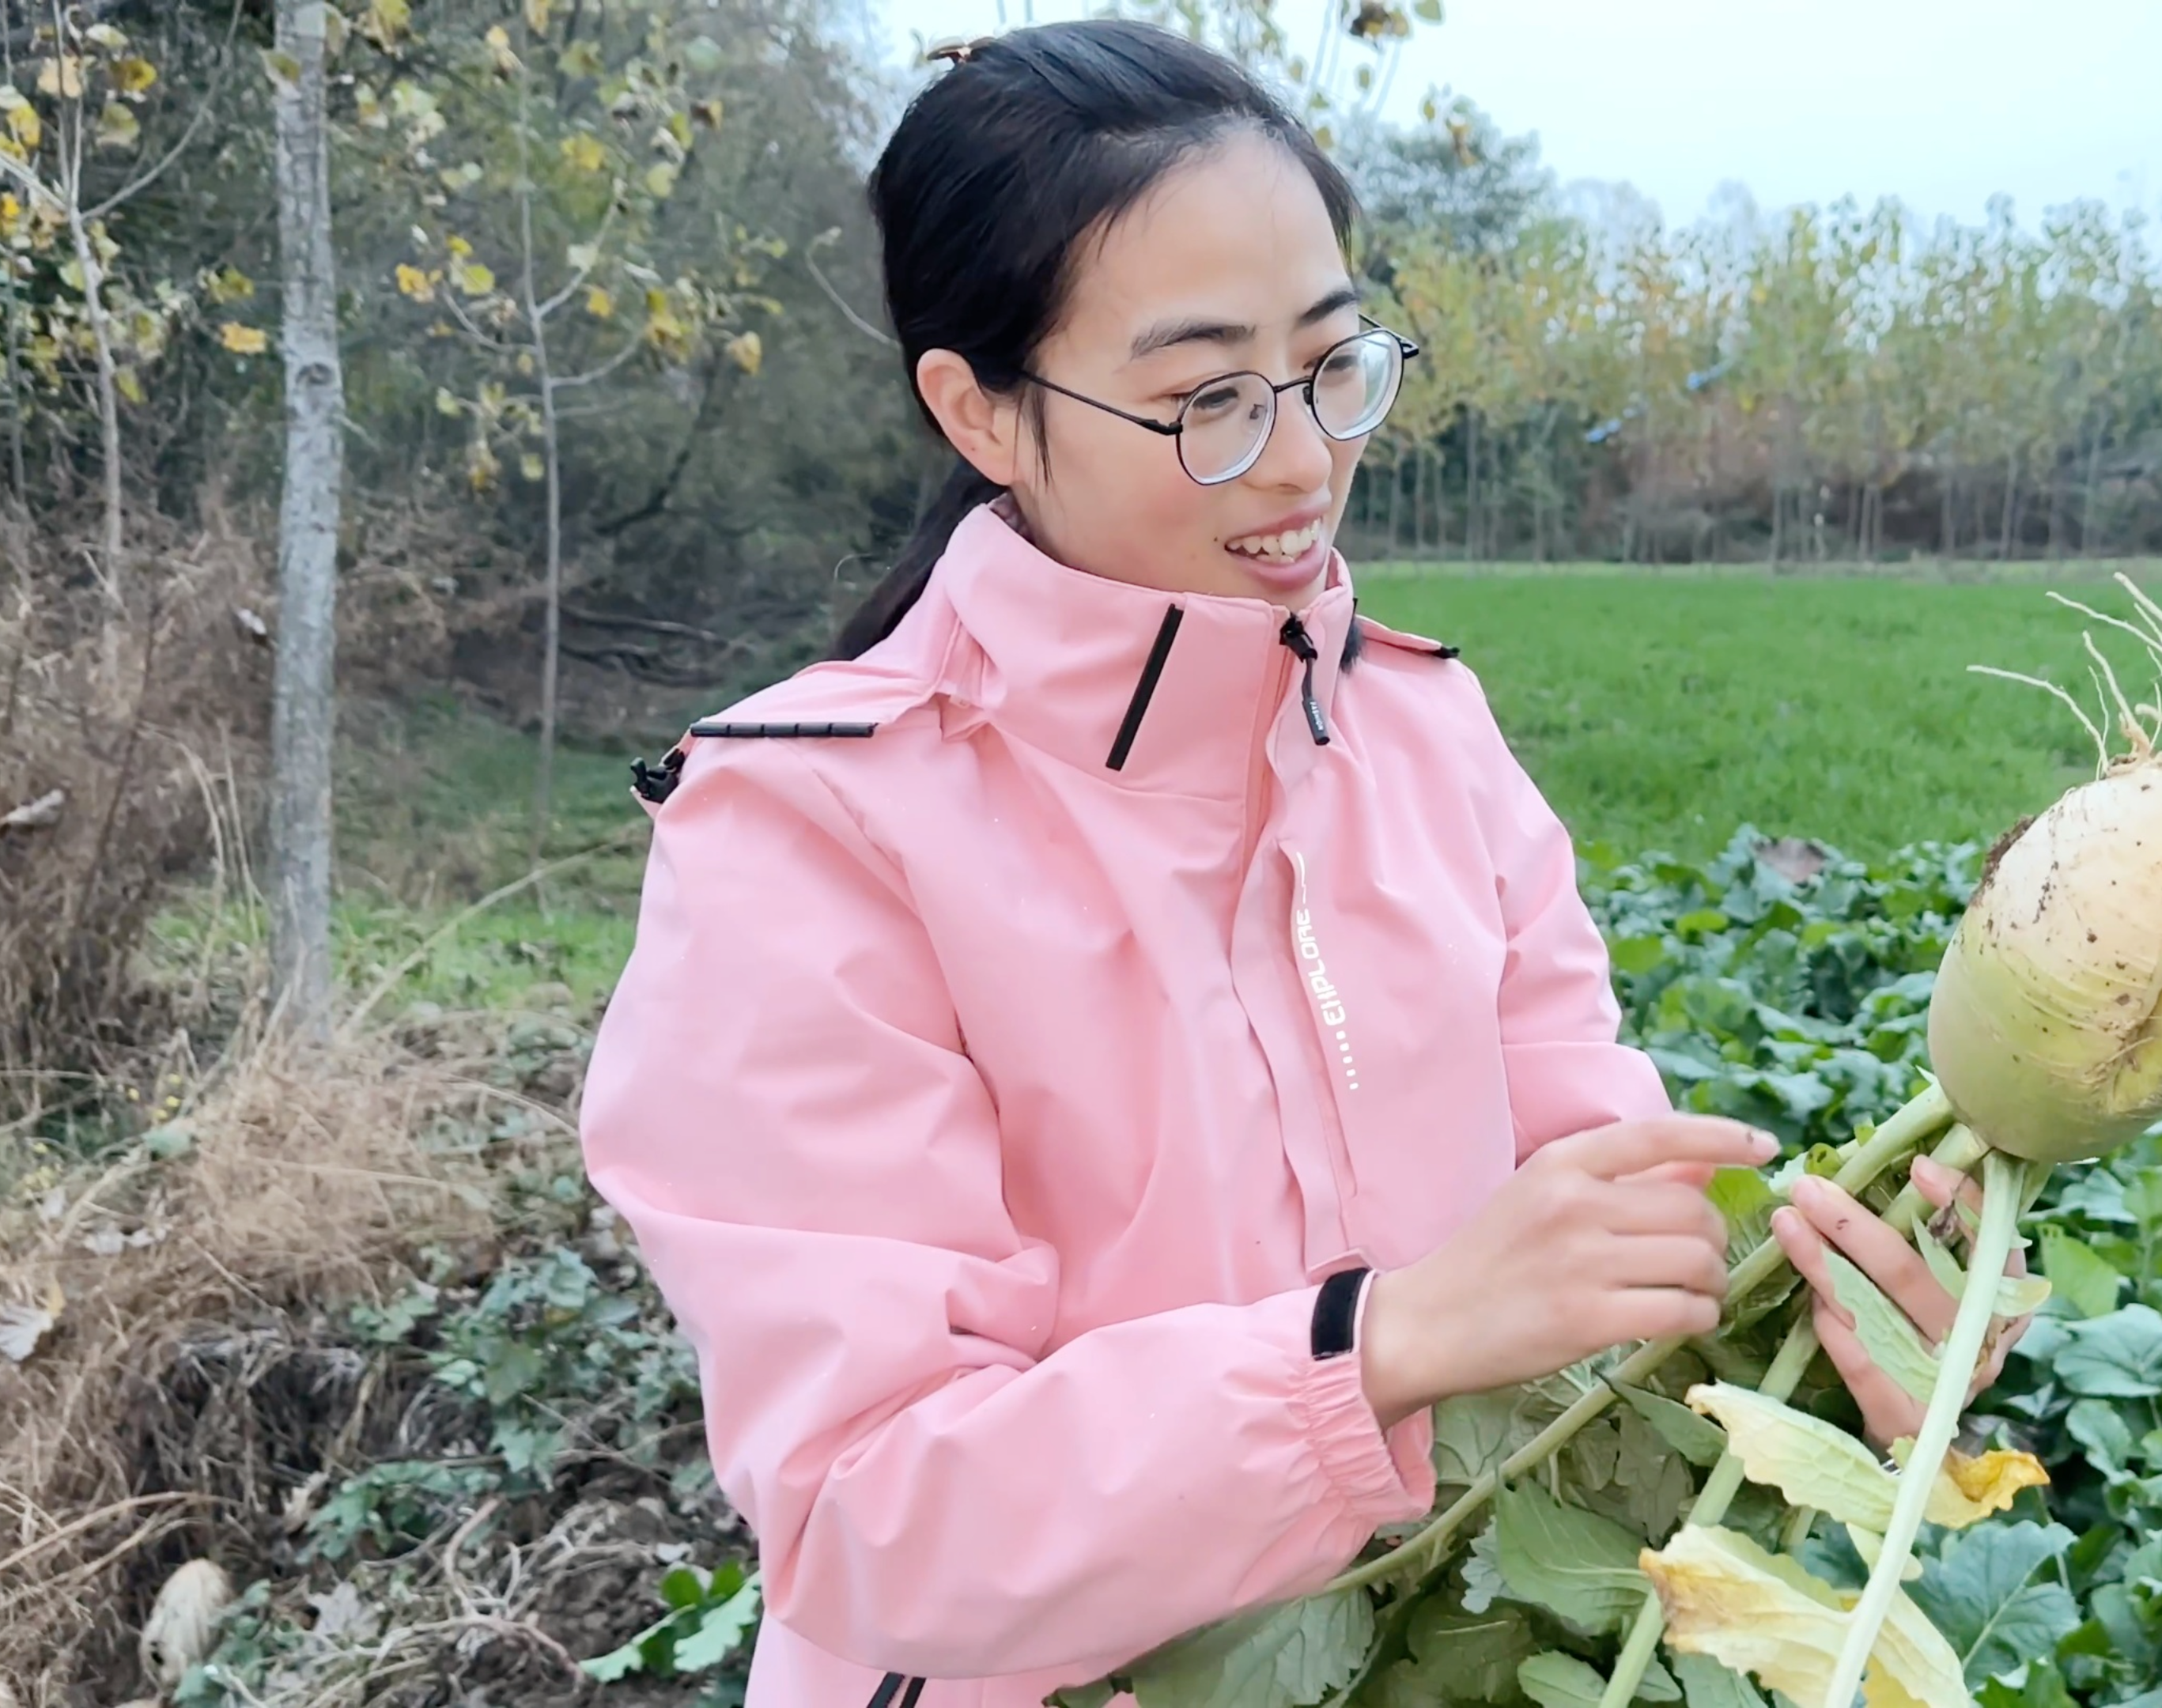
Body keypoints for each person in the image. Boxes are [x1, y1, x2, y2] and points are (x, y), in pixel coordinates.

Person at [576, 21, 2027, 1707]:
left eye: (1334, 365)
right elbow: (863, 1519)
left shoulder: (1426, 735)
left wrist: (1816, 1350)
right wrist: (1378, 1350)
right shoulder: (810, 834)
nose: (1299, 461)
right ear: (976, 410)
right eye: (1206, 398)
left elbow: (1585, 1237)